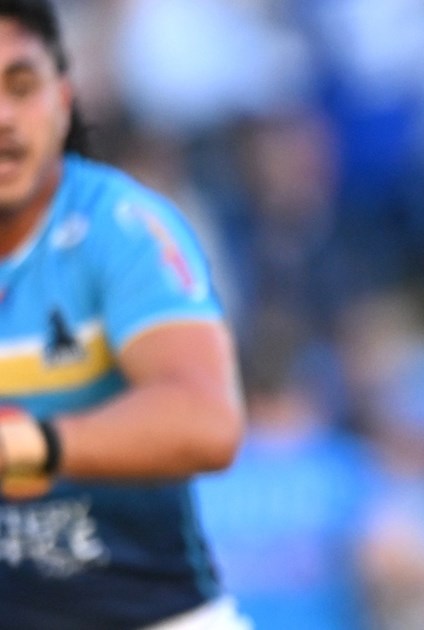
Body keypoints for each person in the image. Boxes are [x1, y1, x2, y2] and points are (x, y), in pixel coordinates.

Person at [0, 1, 247, 628]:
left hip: (151, 616)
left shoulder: (120, 228)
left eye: (21, 87)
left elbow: (206, 421)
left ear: (63, 102)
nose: (3, 117)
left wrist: (36, 446)